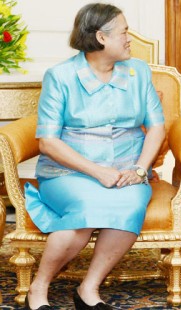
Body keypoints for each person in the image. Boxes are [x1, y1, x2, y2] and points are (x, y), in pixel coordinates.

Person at [23, 3, 165, 310]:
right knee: (86, 211)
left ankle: (88, 288)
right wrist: (97, 171)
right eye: (124, 32)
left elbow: (156, 127)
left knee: (129, 206)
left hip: (128, 171)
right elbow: (47, 142)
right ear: (101, 37)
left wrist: (140, 169)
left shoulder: (138, 71)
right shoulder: (60, 77)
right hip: (68, 173)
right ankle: (38, 288)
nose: (130, 38)